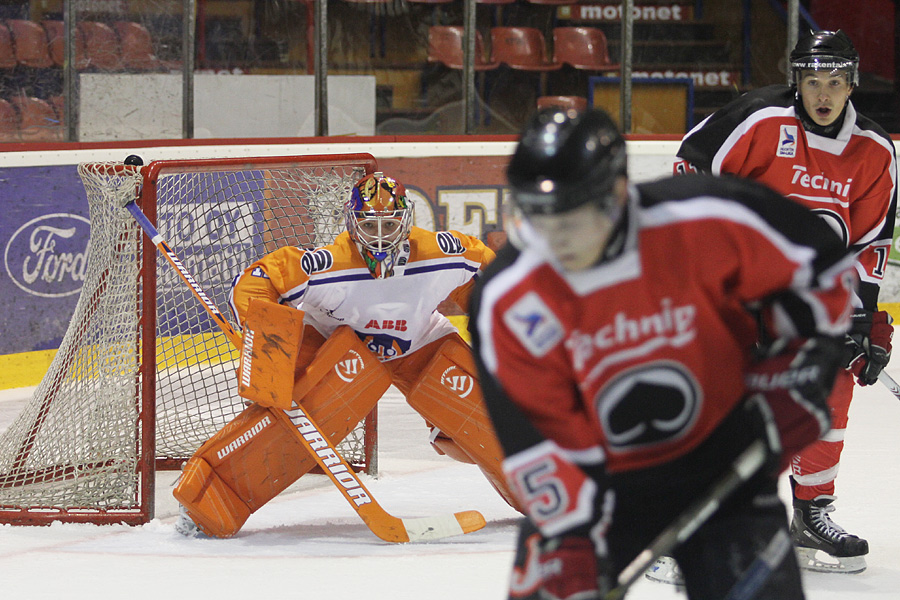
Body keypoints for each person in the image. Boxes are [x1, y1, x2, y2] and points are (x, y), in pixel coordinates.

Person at [468, 107, 857, 600]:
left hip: (725, 454)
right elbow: (537, 434)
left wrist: (801, 372)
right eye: (538, 217)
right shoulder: (507, 298)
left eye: (571, 216)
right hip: (605, 484)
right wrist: (570, 532)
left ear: (615, 194)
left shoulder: (705, 218)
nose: (555, 238)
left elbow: (819, 268)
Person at [174, 172, 518, 538]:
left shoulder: (443, 253)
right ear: (352, 223)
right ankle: (206, 503)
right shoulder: (328, 265)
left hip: (419, 340)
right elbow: (260, 278)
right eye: (371, 225)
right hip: (340, 345)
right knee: (296, 424)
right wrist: (266, 340)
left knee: (493, 422)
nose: (381, 235)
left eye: (391, 224)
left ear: (408, 220)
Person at [674, 29, 897, 574]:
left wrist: (861, 313)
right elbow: (690, 167)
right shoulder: (758, 119)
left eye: (836, 83)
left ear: (851, 85)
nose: (824, 94)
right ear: (797, 81)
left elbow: (870, 241)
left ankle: (810, 515)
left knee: (832, 388)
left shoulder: (874, 150)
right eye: (814, 81)